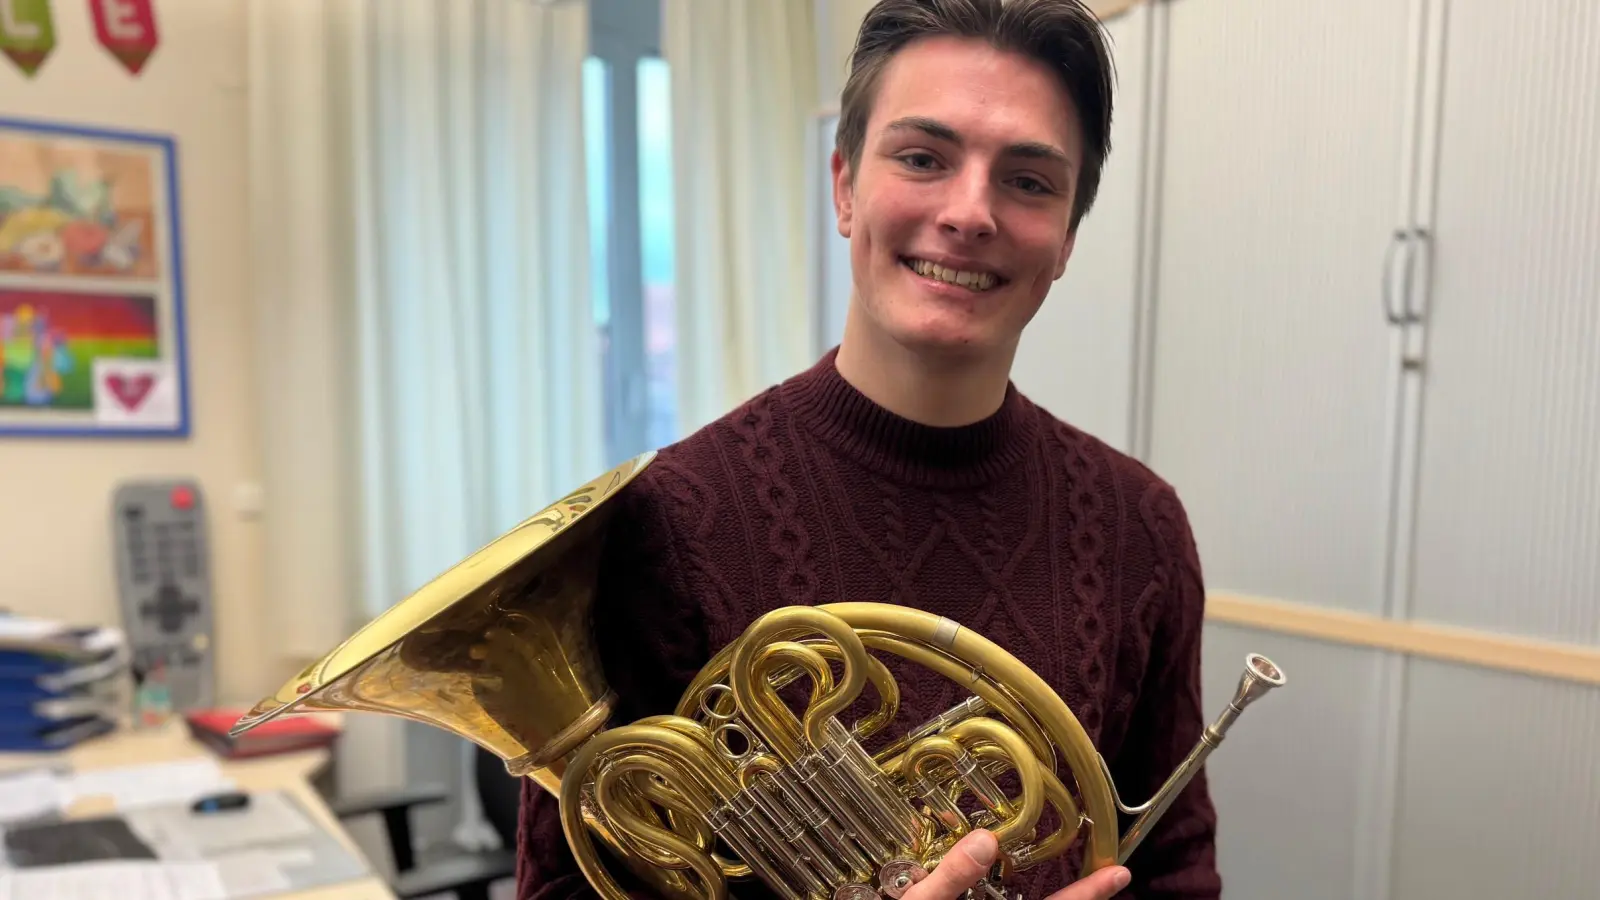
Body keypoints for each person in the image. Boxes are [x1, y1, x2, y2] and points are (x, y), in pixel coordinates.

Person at [516, 0, 1222, 898]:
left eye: (1030, 182)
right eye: (923, 158)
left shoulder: (1140, 528)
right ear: (846, 185)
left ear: (1068, 237)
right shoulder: (664, 521)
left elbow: (1176, 871)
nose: (970, 213)